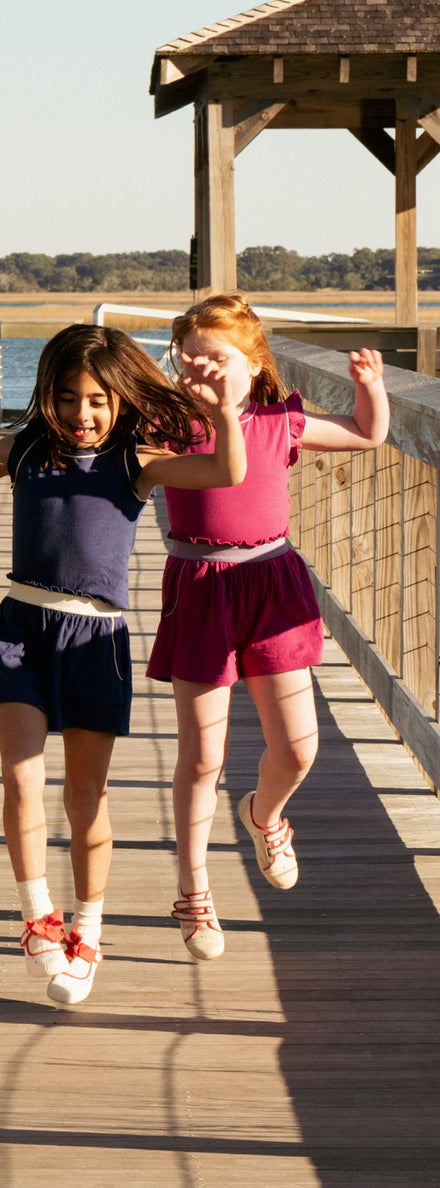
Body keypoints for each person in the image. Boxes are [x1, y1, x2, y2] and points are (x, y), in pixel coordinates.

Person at [0, 324, 247, 1004]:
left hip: (95, 640)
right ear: (47, 398)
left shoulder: (136, 460)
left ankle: (86, 932)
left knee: (84, 797)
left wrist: (220, 412)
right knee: (20, 779)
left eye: (97, 400)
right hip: (20, 627)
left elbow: (225, 471)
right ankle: (38, 917)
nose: (81, 415)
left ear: (121, 400)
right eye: (66, 399)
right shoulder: (28, 447)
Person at [146, 292, 389, 961]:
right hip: (199, 585)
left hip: (272, 583)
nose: (200, 375)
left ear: (254, 363)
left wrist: (371, 389)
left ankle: (265, 816)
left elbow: (366, 435)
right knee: (201, 756)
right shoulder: (167, 420)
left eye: (215, 362)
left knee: (300, 748)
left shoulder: (281, 416)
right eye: (188, 363)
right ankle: (193, 891)